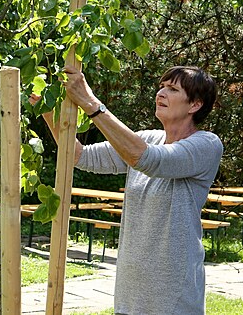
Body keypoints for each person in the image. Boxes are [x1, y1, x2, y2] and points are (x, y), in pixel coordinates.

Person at [33, 65, 222, 314]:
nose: (161, 93)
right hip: (130, 292)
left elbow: (148, 159)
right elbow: (80, 156)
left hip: (172, 295)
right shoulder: (148, 138)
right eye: (162, 86)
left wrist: (91, 103)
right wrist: (48, 111)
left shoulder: (206, 145)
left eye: (172, 89)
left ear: (194, 105)